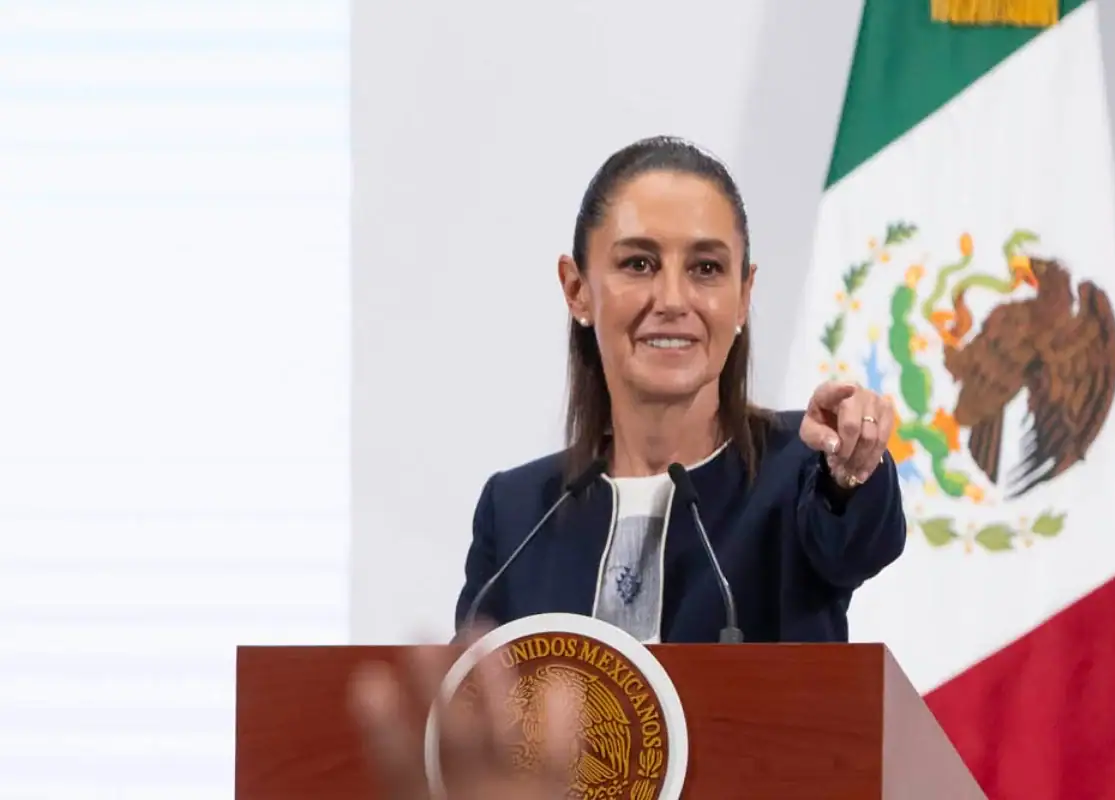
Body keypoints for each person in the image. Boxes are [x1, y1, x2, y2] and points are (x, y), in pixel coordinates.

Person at [351, 135, 906, 797]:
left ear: (744, 292)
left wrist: (849, 472)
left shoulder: (800, 469)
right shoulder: (520, 508)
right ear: (577, 288)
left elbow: (856, 539)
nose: (673, 298)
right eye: (639, 264)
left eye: (705, 269)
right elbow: (478, 720)